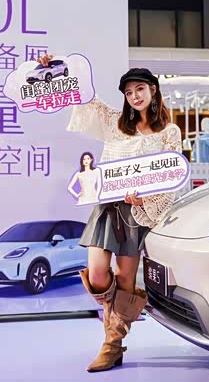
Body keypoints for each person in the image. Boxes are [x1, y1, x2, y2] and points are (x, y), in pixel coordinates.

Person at [51, 54, 182, 373]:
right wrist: (57, 68)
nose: (135, 96)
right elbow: (84, 97)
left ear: (153, 90)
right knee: (97, 273)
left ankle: (111, 345)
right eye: (129, 92)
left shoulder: (169, 131)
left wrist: (145, 198)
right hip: (108, 207)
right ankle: (115, 331)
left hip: (138, 210)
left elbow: (172, 175)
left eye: (140, 89)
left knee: (124, 279)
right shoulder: (115, 123)